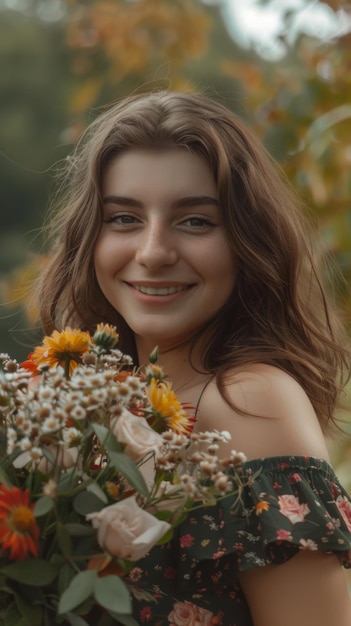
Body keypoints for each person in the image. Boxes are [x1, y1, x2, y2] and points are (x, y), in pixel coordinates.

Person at [34, 91, 351, 625]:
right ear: (90, 236)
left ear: (247, 242)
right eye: (124, 218)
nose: (154, 252)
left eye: (196, 222)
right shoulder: (87, 407)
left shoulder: (249, 402)